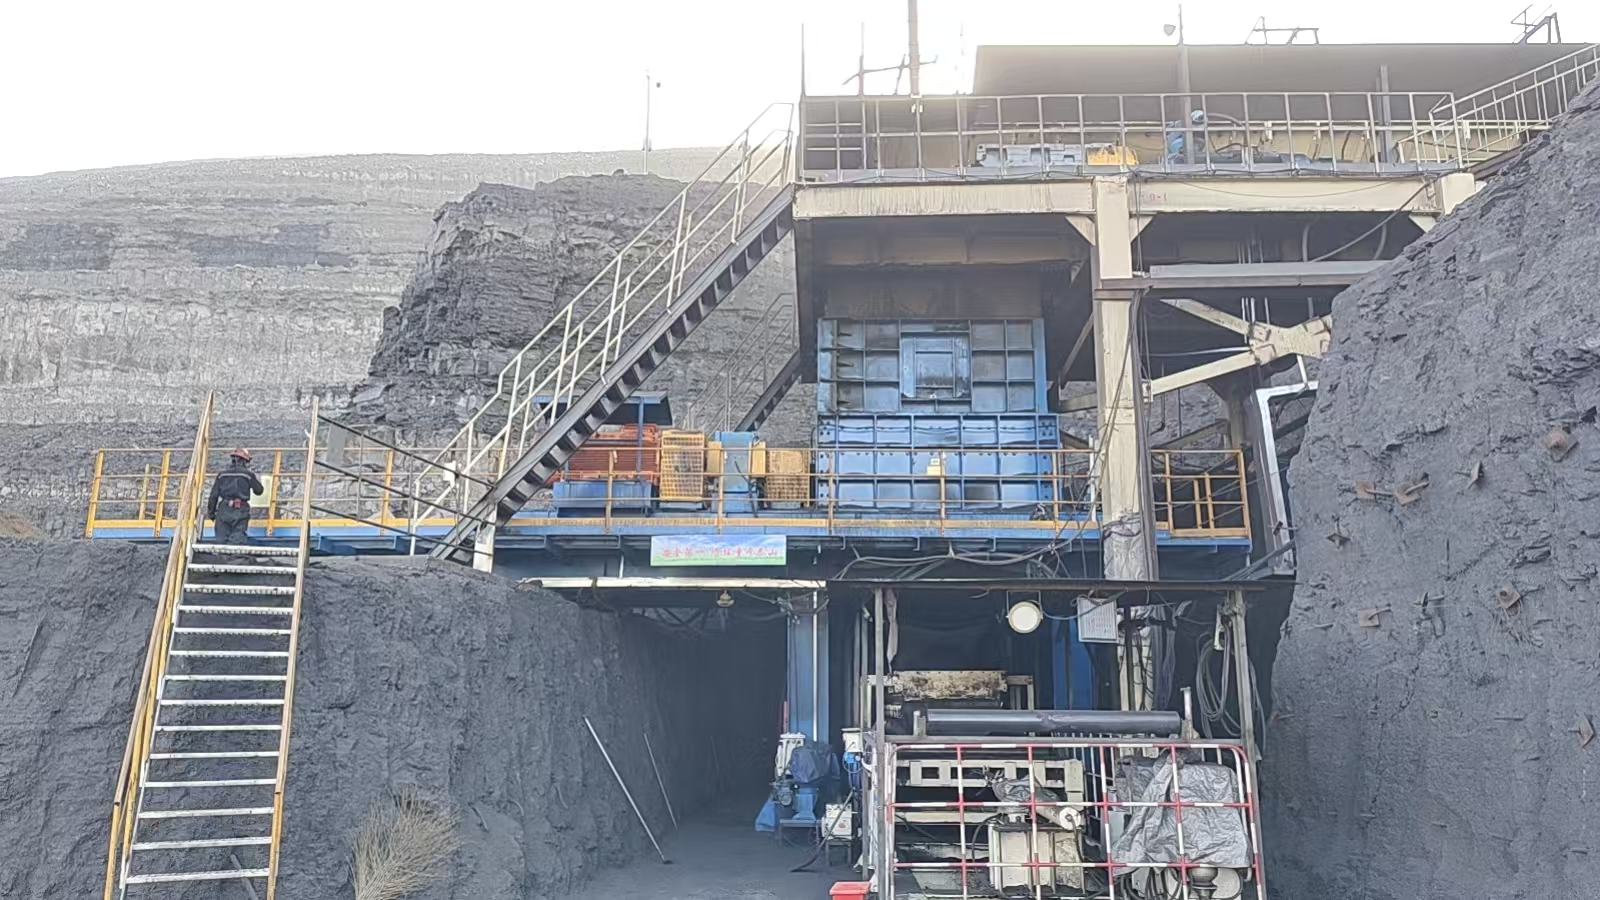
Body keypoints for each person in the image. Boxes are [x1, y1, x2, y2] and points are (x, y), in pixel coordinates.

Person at [208, 448, 264, 544]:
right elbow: (259, 491)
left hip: (224, 510)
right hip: (240, 511)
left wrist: (211, 513)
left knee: (221, 542)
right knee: (237, 542)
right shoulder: (248, 475)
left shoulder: (222, 475)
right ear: (244, 461)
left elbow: (213, 496)